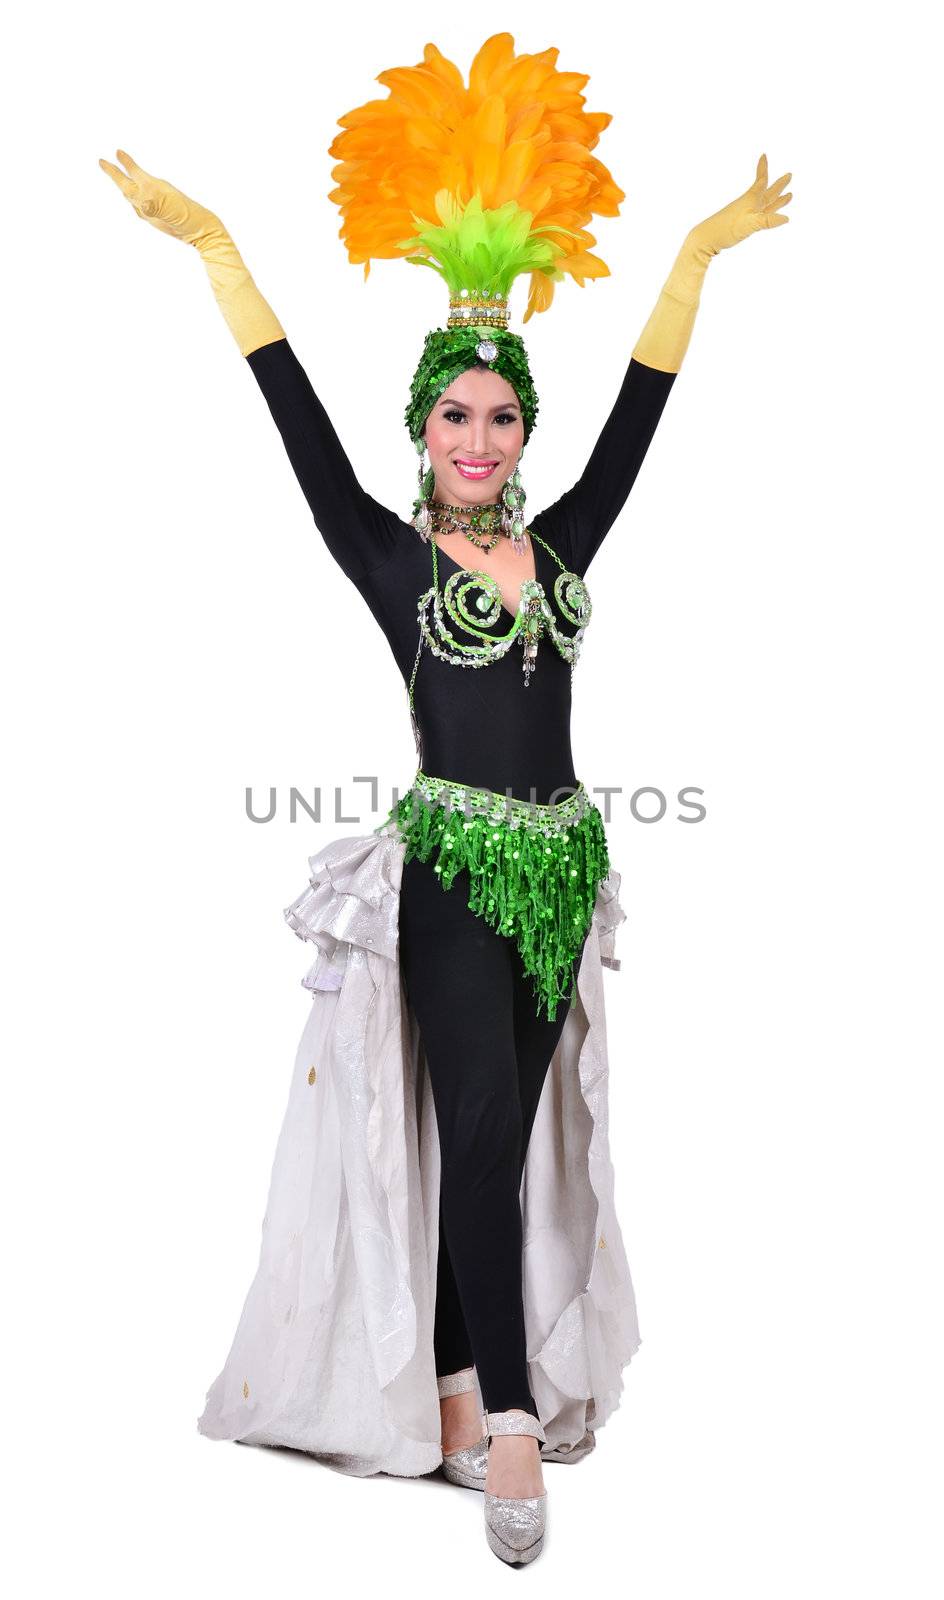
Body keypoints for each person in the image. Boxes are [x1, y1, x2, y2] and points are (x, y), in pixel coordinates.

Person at [99, 31, 791, 1567]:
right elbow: (284, 408)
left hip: (563, 873)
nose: (480, 443)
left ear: (520, 435)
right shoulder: (386, 558)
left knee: (505, 1128)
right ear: (420, 428)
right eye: (454, 417)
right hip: (450, 873)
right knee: (475, 1123)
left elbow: (646, 410)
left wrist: (690, 255)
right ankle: (523, 1425)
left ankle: (464, 1375)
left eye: (502, 419)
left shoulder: (560, 552)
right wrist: (216, 248)